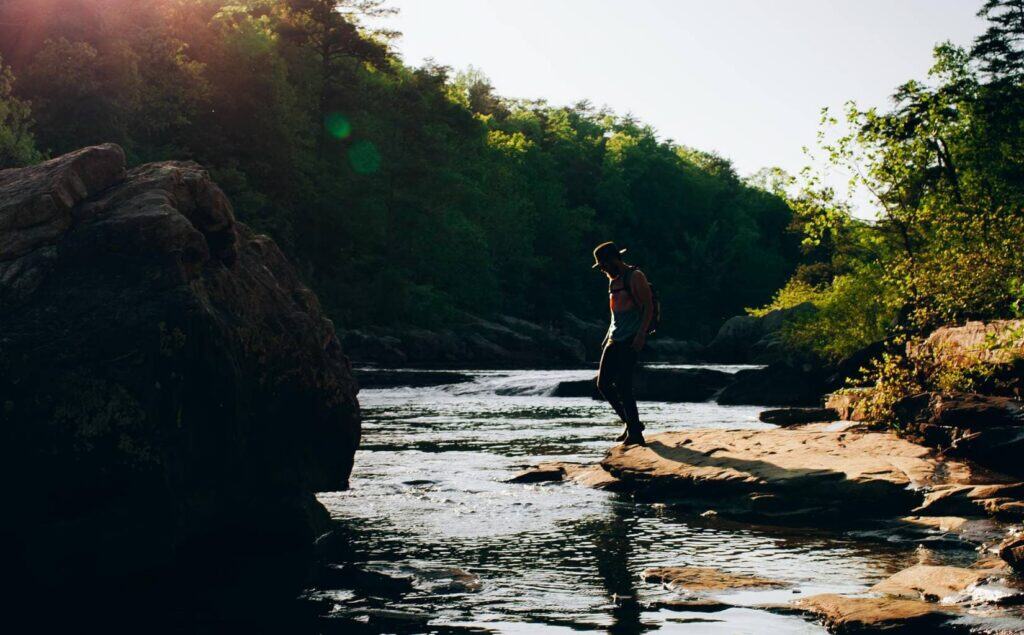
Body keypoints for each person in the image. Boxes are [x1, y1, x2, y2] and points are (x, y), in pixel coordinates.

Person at [592, 241, 653, 446]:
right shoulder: (613, 282)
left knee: (624, 384)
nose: (602, 269)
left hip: (631, 338)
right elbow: (614, 315)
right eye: (600, 267)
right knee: (603, 384)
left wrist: (641, 335)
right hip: (614, 337)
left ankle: (636, 433)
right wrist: (606, 337)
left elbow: (648, 307)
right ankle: (631, 424)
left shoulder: (635, 277)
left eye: (603, 265)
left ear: (614, 260)